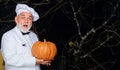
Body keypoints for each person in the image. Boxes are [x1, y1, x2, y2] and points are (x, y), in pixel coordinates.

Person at [1, 3, 51, 70]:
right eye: (23, 17)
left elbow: (39, 53)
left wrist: (45, 59)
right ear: (16, 19)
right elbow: (10, 59)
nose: (26, 21)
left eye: (29, 18)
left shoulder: (34, 35)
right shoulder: (8, 36)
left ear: (32, 22)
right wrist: (35, 61)